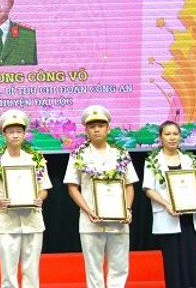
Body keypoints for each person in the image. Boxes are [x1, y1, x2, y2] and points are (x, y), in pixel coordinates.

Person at [63, 105, 137, 288]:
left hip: (119, 220)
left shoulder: (121, 154)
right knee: (93, 268)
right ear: (86, 130)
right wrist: (88, 210)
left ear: (108, 128)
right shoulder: (78, 155)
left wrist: (127, 209)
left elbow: (129, 185)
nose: (97, 129)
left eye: (101, 125)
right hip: (91, 221)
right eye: (92, 126)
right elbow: (72, 187)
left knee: (119, 267)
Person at [0, 110, 51, 288]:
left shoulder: (36, 159)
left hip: (32, 220)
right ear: (4, 134)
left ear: (24, 133)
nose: (15, 135)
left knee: (31, 269)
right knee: (8, 270)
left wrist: (39, 198)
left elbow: (44, 189)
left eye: (19, 131)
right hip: (6, 222)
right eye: (10, 132)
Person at [143, 121, 196, 288]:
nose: (172, 138)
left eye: (175, 134)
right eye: (167, 134)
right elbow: (149, 189)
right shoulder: (153, 161)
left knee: (193, 261)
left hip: (190, 218)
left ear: (180, 136)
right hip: (168, 216)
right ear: (160, 138)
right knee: (173, 264)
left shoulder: (188, 159)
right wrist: (166, 204)